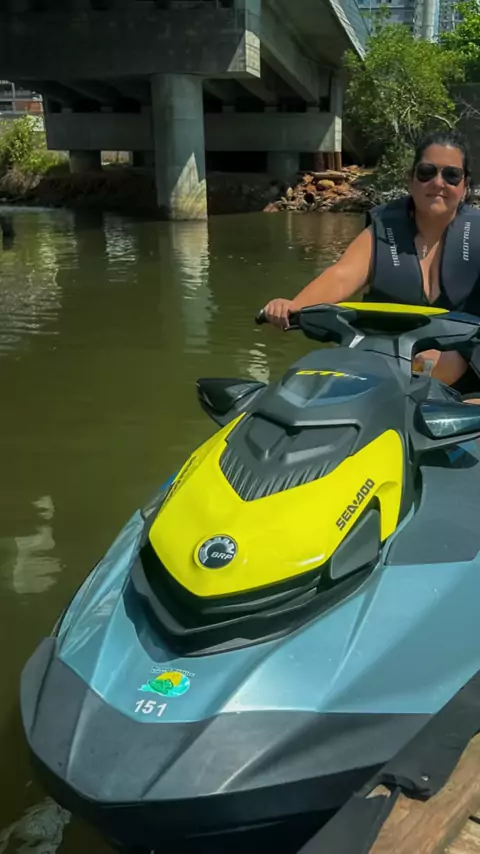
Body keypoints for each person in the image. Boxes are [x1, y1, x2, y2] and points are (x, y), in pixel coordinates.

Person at [263, 130, 480, 393]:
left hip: (467, 383)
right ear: (411, 179)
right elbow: (342, 275)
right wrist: (294, 306)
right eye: (426, 172)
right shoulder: (384, 229)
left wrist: (461, 360)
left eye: (451, 175)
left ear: (465, 185)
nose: (438, 183)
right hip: (386, 375)